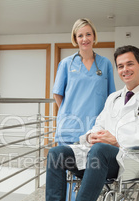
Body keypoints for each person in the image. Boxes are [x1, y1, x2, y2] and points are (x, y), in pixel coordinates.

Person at [22, 45, 139, 201]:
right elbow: (99, 124)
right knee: (56, 154)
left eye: (130, 64)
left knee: (100, 150)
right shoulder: (114, 98)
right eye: (120, 66)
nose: (124, 70)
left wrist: (117, 140)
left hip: (135, 160)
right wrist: (90, 136)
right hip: (102, 158)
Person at [53, 18, 116, 146]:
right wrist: (69, 113)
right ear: (75, 39)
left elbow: (111, 97)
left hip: (96, 129)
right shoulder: (66, 64)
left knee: (93, 164)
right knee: (68, 164)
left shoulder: (105, 64)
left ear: (94, 36)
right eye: (80, 35)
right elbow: (57, 94)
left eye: (88, 34)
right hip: (70, 127)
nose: (84, 39)